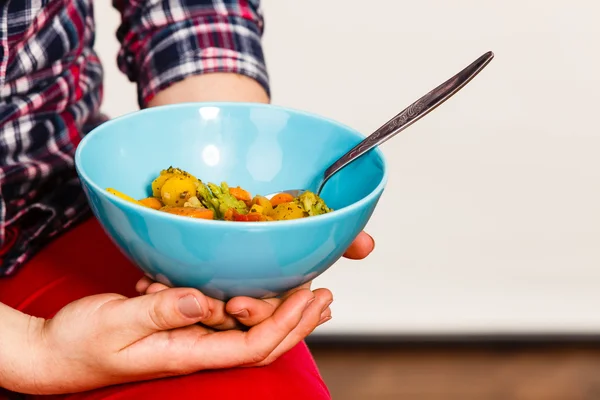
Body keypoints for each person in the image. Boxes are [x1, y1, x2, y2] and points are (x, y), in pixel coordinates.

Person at [0, 1, 375, 399]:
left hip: (45, 207)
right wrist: (33, 351)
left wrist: (240, 247)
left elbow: (189, 12)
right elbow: (34, 353)